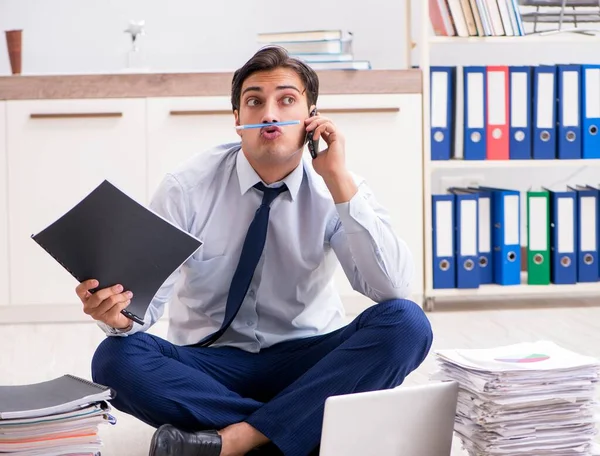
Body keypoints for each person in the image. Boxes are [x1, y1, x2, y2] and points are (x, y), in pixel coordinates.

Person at [78, 46, 433, 456]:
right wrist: (118, 316)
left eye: (286, 100)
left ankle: (236, 440)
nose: (269, 114)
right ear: (237, 121)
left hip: (309, 363)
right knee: (113, 360)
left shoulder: (339, 186)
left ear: (311, 117)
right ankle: (297, 428)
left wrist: (337, 179)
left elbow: (393, 291)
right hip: (210, 364)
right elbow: (145, 309)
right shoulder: (186, 189)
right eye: (254, 102)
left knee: (407, 324)